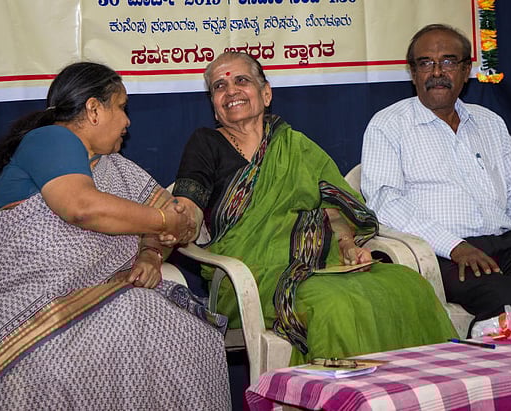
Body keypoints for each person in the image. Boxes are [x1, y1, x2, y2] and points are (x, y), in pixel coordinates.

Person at [0, 62, 231, 409]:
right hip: (33, 305)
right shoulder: (51, 139)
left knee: (189, 333)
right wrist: (164, 221)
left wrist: (151, 254)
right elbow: (83, 208)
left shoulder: (115, 166)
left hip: (104, 298)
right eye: (121, 107)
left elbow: (155, 223)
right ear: (94, 109)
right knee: (135, 316)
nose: (127, 121)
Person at [172, 51, 457, 364]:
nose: (231, 91)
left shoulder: (296, 145)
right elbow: (189, 204)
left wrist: (348, 244)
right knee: (333, 305)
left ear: (266, 94)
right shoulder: (205, 143)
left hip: (320, 261)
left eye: (241, 81)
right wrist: (178, 219)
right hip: (251, 275)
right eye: (219, 87)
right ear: (214, 104)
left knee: (408, 285)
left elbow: (333, 204)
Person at [360, 24, 511, 337]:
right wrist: (455, 246)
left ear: (466, 71)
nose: (436, 72)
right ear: (412, 72)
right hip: (443, 255)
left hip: (507, 245)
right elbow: (386, 204)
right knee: (505, 301)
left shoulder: (489, 123)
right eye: (425, 63)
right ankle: (488, 381)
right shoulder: (388, 126)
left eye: (448, 62)